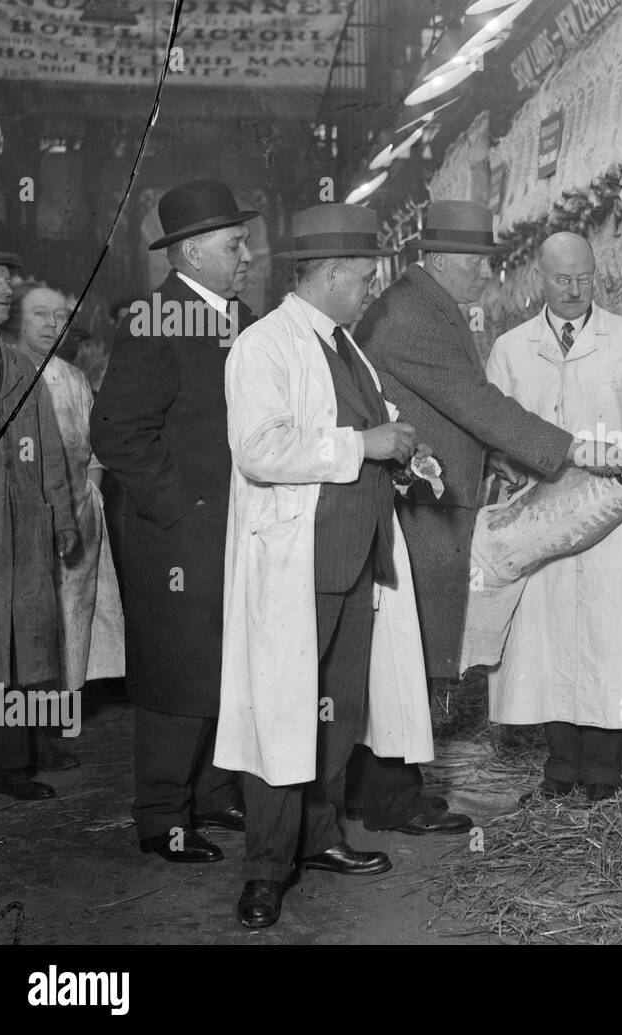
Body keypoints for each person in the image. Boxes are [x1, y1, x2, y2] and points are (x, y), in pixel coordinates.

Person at [352, 200, 618, 833]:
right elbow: (475, 402)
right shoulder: (412, 315)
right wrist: (568, 449)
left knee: (402, 652)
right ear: (441, 260)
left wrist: (501, 459)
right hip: (415, 510)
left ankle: (375, 791)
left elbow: (458, 410)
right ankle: (392, 799)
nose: (486, 278)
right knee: (406, 654)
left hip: (426, 500)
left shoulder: (424, 304)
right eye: (477, 264)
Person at [215, 203, 434, 930]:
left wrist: (402, 454)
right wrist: (361, 446)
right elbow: (260, 449)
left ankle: (321, 836)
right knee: (283, 715)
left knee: (334, 715)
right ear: (332, 274)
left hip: (353, 558)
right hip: (298, 562)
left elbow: (369, 429)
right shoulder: (264, 346)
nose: (372, 288)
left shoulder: (345, 344)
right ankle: (265, 869)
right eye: (365, 276)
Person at [484, 231, 622, 801]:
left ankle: (604, 772)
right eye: (564, 278)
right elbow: (492, 425)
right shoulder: (510, 348)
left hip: (617, 510)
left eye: (585, 277)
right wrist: (504, 464)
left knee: (614, 639)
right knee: (549, 641)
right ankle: (560, 768)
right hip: (545, 512)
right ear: (541, 277)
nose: (577, 289)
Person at [90, 179, 257, 864]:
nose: (248, 253)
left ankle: (214, 793)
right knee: (175, 675)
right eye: (234, 243)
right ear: (191, 251)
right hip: (179, 535)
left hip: (230, 526)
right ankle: (163, 816)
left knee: (224, 664)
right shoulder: (158, 317)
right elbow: (116, 429)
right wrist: (180, 506)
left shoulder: (238, 314)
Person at [0, 250, 79, 799]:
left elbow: (51, 453)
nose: (6, 288)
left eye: (8, 279)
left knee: (23, 644)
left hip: (25, 531)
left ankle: (12, 755)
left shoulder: (20, 367)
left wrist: (61, 517)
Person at [3, 283, 125, 712]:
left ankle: (58, 711)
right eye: (41, 314)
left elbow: (95, 448)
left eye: (60, 316)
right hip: (16, 521)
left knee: (72, 615)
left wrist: (90, 495)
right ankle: (17, 725)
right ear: (15, 317)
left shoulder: (71, 378)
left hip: (76, 520)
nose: (53, 324)